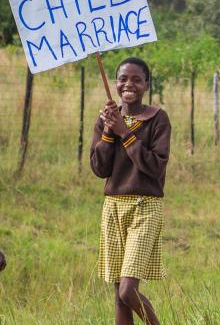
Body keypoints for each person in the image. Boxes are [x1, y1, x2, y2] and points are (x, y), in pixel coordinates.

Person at [90, 57, 171, 325]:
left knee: (128, 289)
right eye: (123, 78)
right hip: (113, 206)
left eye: (137, 79)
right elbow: (100, 168)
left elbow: (155, 167)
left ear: (147, 84)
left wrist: (125, 132)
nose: (129, 84)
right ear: (115, 83)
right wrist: (108, 133)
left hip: (145, 206)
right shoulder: (106, 120)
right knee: (118, 292)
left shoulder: (157, 119)